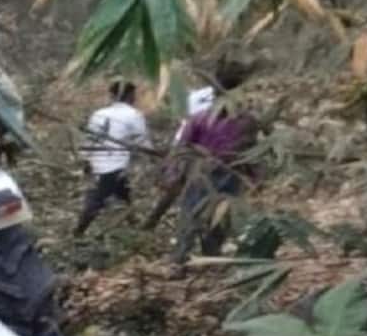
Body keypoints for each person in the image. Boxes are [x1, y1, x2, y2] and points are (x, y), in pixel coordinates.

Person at [173, 90, 261, 266]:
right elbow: (252, 152)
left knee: (199, 213)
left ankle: (190, 257)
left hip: (212, 172)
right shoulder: (245, 121)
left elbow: (182, 148)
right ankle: (193, 255)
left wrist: (174, 172)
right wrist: (254, 175)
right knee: (205, 214)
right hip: (218, 172)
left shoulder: (200, 118)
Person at [75, 80, 149, 237]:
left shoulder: (98, 113)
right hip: (115, 164)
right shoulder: (134, 114)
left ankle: (134, 224)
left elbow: (90, 140)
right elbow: (143, 142)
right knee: (98, 199)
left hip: (97, 162)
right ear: (130, 96)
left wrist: (86, 160)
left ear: (112, 95)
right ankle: (78, 232)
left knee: (122, 192)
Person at [146, 83, 219, 230]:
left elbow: (183, 117)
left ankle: (155, 221)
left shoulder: (198, 95)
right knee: (182, 185)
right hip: (197, 145)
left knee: (179, 185)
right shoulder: (206, 97)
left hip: (190, 143)